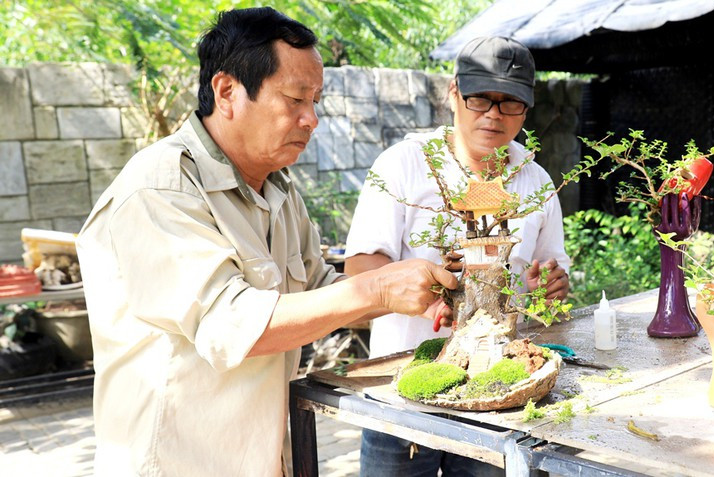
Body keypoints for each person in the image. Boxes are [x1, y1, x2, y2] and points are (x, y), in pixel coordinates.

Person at [74, 7, 455, 477]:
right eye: (295, 99)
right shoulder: (159, 188)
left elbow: (321, 293)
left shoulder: (278, 189)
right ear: (227, 92)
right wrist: (377, 288)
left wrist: (418, 288)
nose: (311, 119)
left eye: (315, 101)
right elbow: (233, 326)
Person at [345, 36, 570, 477]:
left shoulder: (537, 181)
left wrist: (548, 286)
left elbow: (550, 280)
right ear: (453, 93)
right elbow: (359, 270)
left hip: (497, 390)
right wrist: (425, 298)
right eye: (480, 98)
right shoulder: (404, 165)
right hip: (402, 392)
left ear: (526, 109)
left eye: (510, 102)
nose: (493, 114)